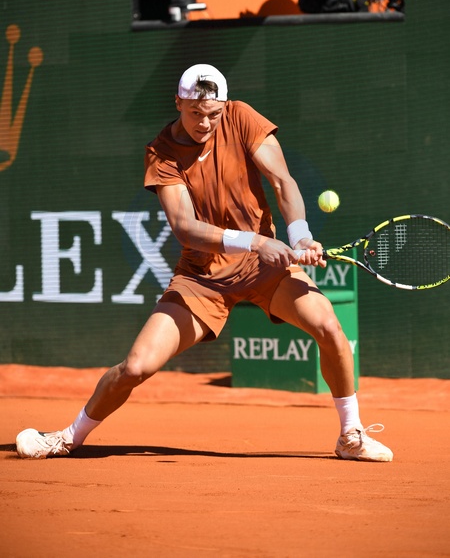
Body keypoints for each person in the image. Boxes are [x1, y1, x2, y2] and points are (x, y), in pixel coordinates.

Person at [16, 63, 393, 462]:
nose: (205, 123)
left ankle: (350, 435)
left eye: (214, 114)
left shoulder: (241, 117)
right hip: (203, 278)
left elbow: (282, 181)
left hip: (263, 269)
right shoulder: (162, 153)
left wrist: (299, 235)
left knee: (329, 327)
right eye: (196, 113)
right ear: (178, 103)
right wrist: (255, 241)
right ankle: (67, 437)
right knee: (136, 367)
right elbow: (185, 228)